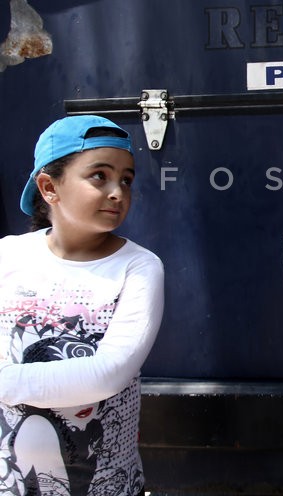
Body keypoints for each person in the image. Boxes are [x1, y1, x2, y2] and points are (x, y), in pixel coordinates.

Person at [0, 115, 165, 495]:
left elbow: (107, 374)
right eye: (99, 176)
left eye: (126, 179)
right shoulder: (9, 256)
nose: (117, 192)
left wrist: (6, 382)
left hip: (105, 486)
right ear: (49, 187)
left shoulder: (138, 267)